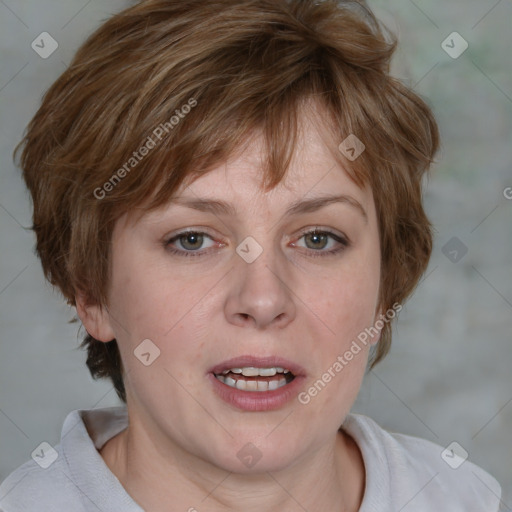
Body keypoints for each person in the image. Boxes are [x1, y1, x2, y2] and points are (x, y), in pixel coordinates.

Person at [0, 0, 503, 510]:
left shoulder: (466, 498)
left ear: (385, 285)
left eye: (317, 238)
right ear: (90, 290)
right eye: (192, 239)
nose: (263, 300)